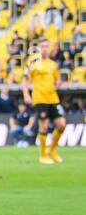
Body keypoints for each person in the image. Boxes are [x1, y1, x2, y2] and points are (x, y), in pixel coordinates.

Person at [22, 37, 65, 165]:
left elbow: (57, 80)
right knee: (44, 126)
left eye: (47, 46)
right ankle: (43, 155)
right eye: (43, 46)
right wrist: (26, 95)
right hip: (40, 98)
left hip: (53, 98)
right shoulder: (33, 61)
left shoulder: (53, 64)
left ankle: (52, 150)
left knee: (61, 125)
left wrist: (57, 84)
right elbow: (25, 79)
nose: (45, 49)